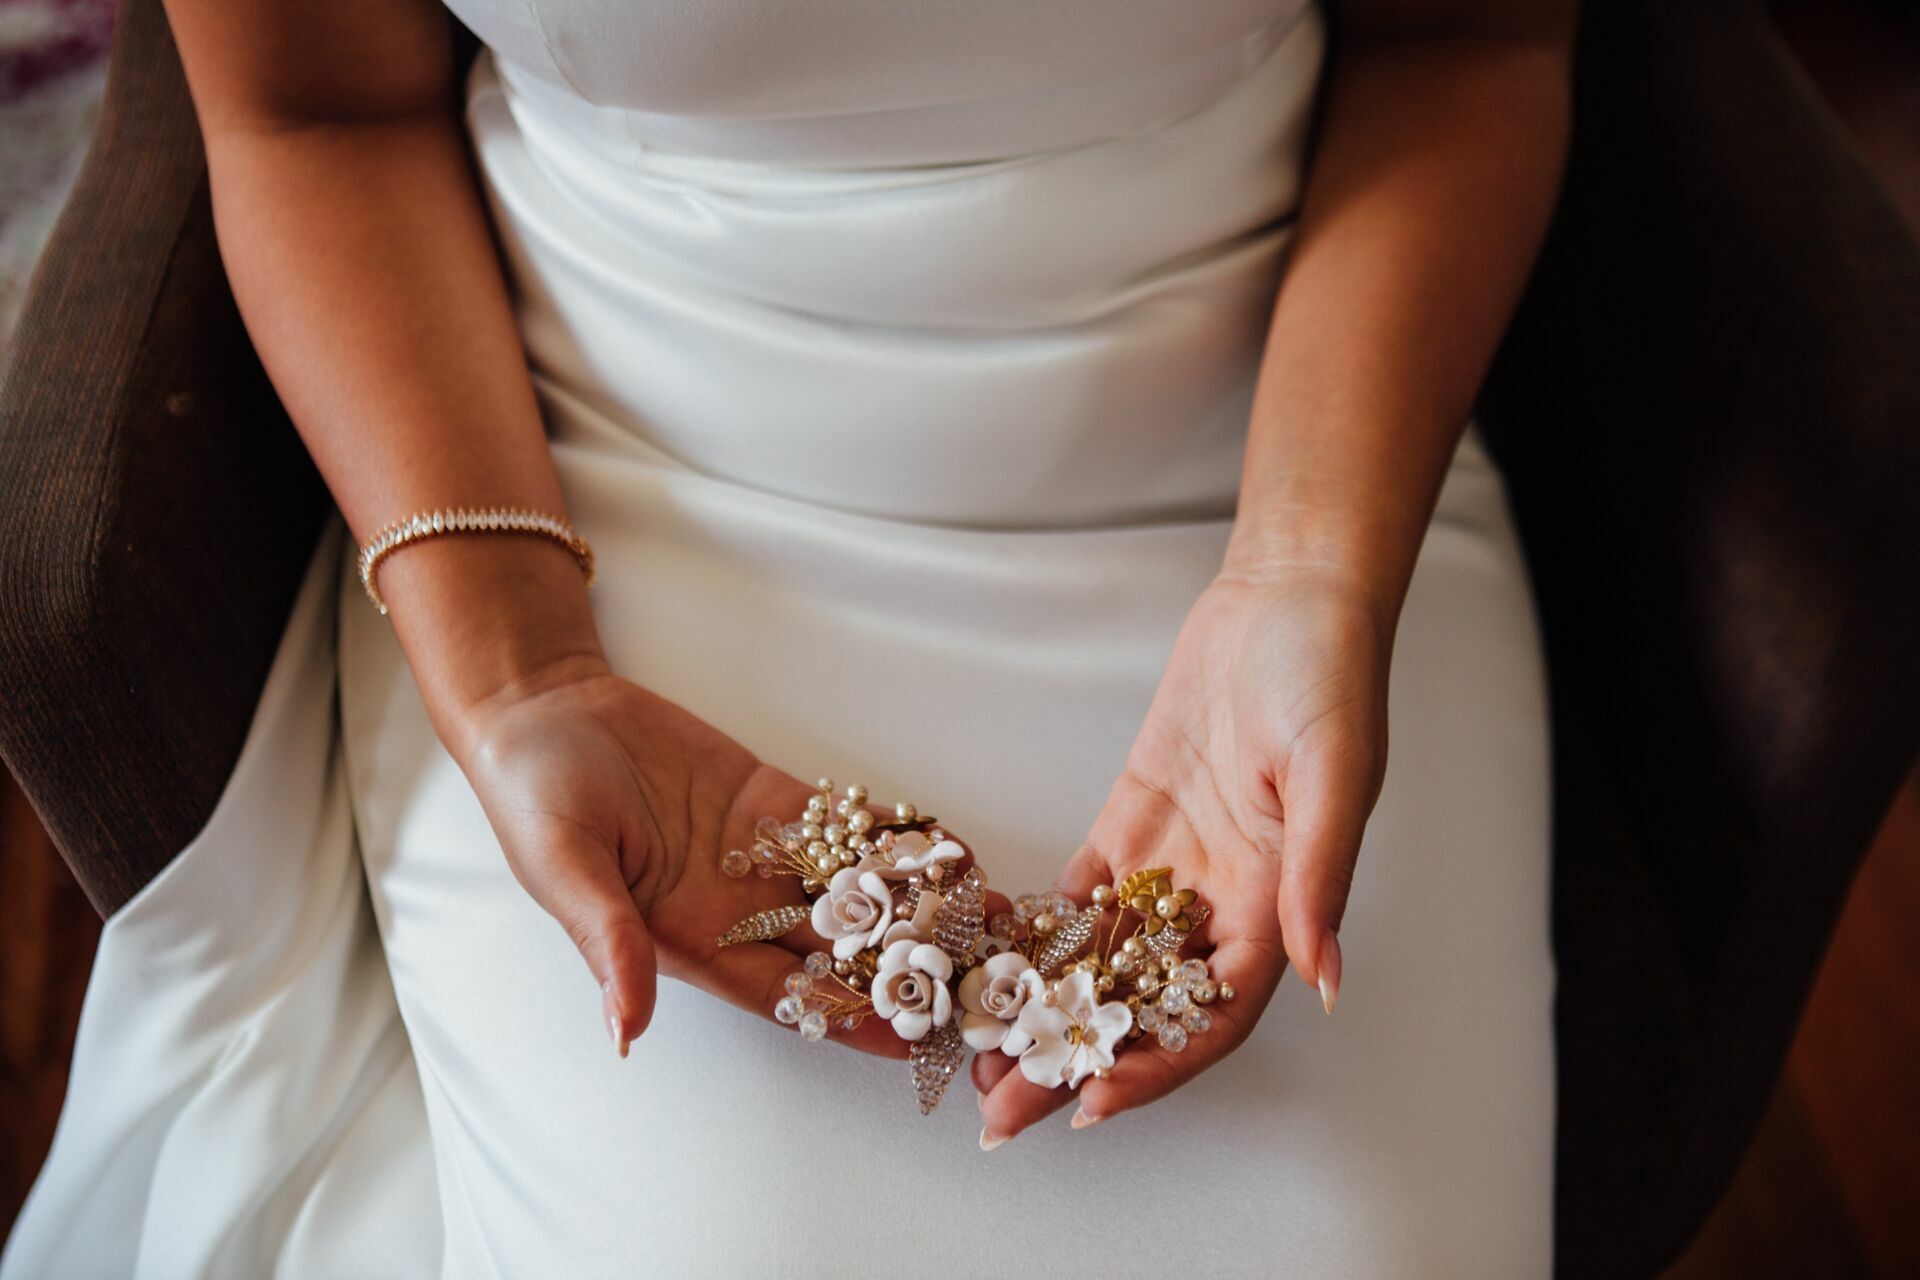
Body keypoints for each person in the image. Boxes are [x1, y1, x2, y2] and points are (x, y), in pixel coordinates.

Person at [3, 0, 1572, 1274]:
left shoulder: (1306, 551)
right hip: (594, 487)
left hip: (1293, 467)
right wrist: (518, 667)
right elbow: (316, 110)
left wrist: (1310, 574)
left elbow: (1468, 40)